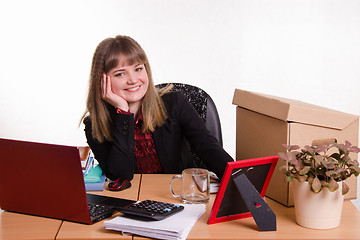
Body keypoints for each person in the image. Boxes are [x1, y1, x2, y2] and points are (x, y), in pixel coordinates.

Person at [81, 35, 234, 191]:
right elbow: (120, 177)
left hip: (180, 196)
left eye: (138, 69)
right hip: (132, 202)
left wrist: (239, 179)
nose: (133, 80)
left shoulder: (175, 103)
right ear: (102, 81)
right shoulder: (94, 125)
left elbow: (206, 145)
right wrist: (123, 113)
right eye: (120, 73)